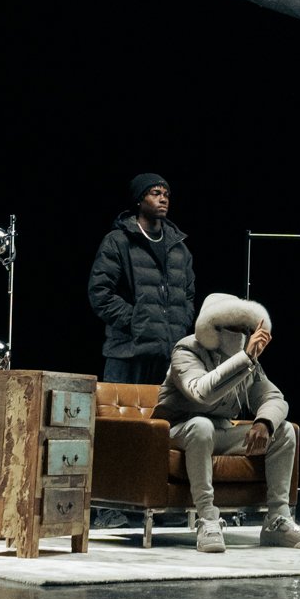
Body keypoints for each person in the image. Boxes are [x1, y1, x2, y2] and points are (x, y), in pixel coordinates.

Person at [160, 293, 300, 553]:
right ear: (214, 328)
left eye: (245, 329)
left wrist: (264, 423)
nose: (241, 334)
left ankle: (277, 520)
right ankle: (208, 520)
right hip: (178, 429)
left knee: (284, 430)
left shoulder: (248, 362)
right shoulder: (186, 350)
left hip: (219, 431)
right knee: (201, 425)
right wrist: (245, 358)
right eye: (234, 328)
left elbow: (273, 397)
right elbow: (201, 392)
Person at [86, 173, 198, 528]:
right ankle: (109, 509)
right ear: (139, 200)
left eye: (166, 192)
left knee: (164, 430)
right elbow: (100, 294)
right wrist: (137, 321)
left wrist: (180, 325)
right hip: (127, 351)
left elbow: (189, 295)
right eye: (155, 192)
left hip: (167, 353)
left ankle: (161, 502)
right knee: (117, 431)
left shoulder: (179, 246)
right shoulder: (118, 241)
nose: (163, 198)